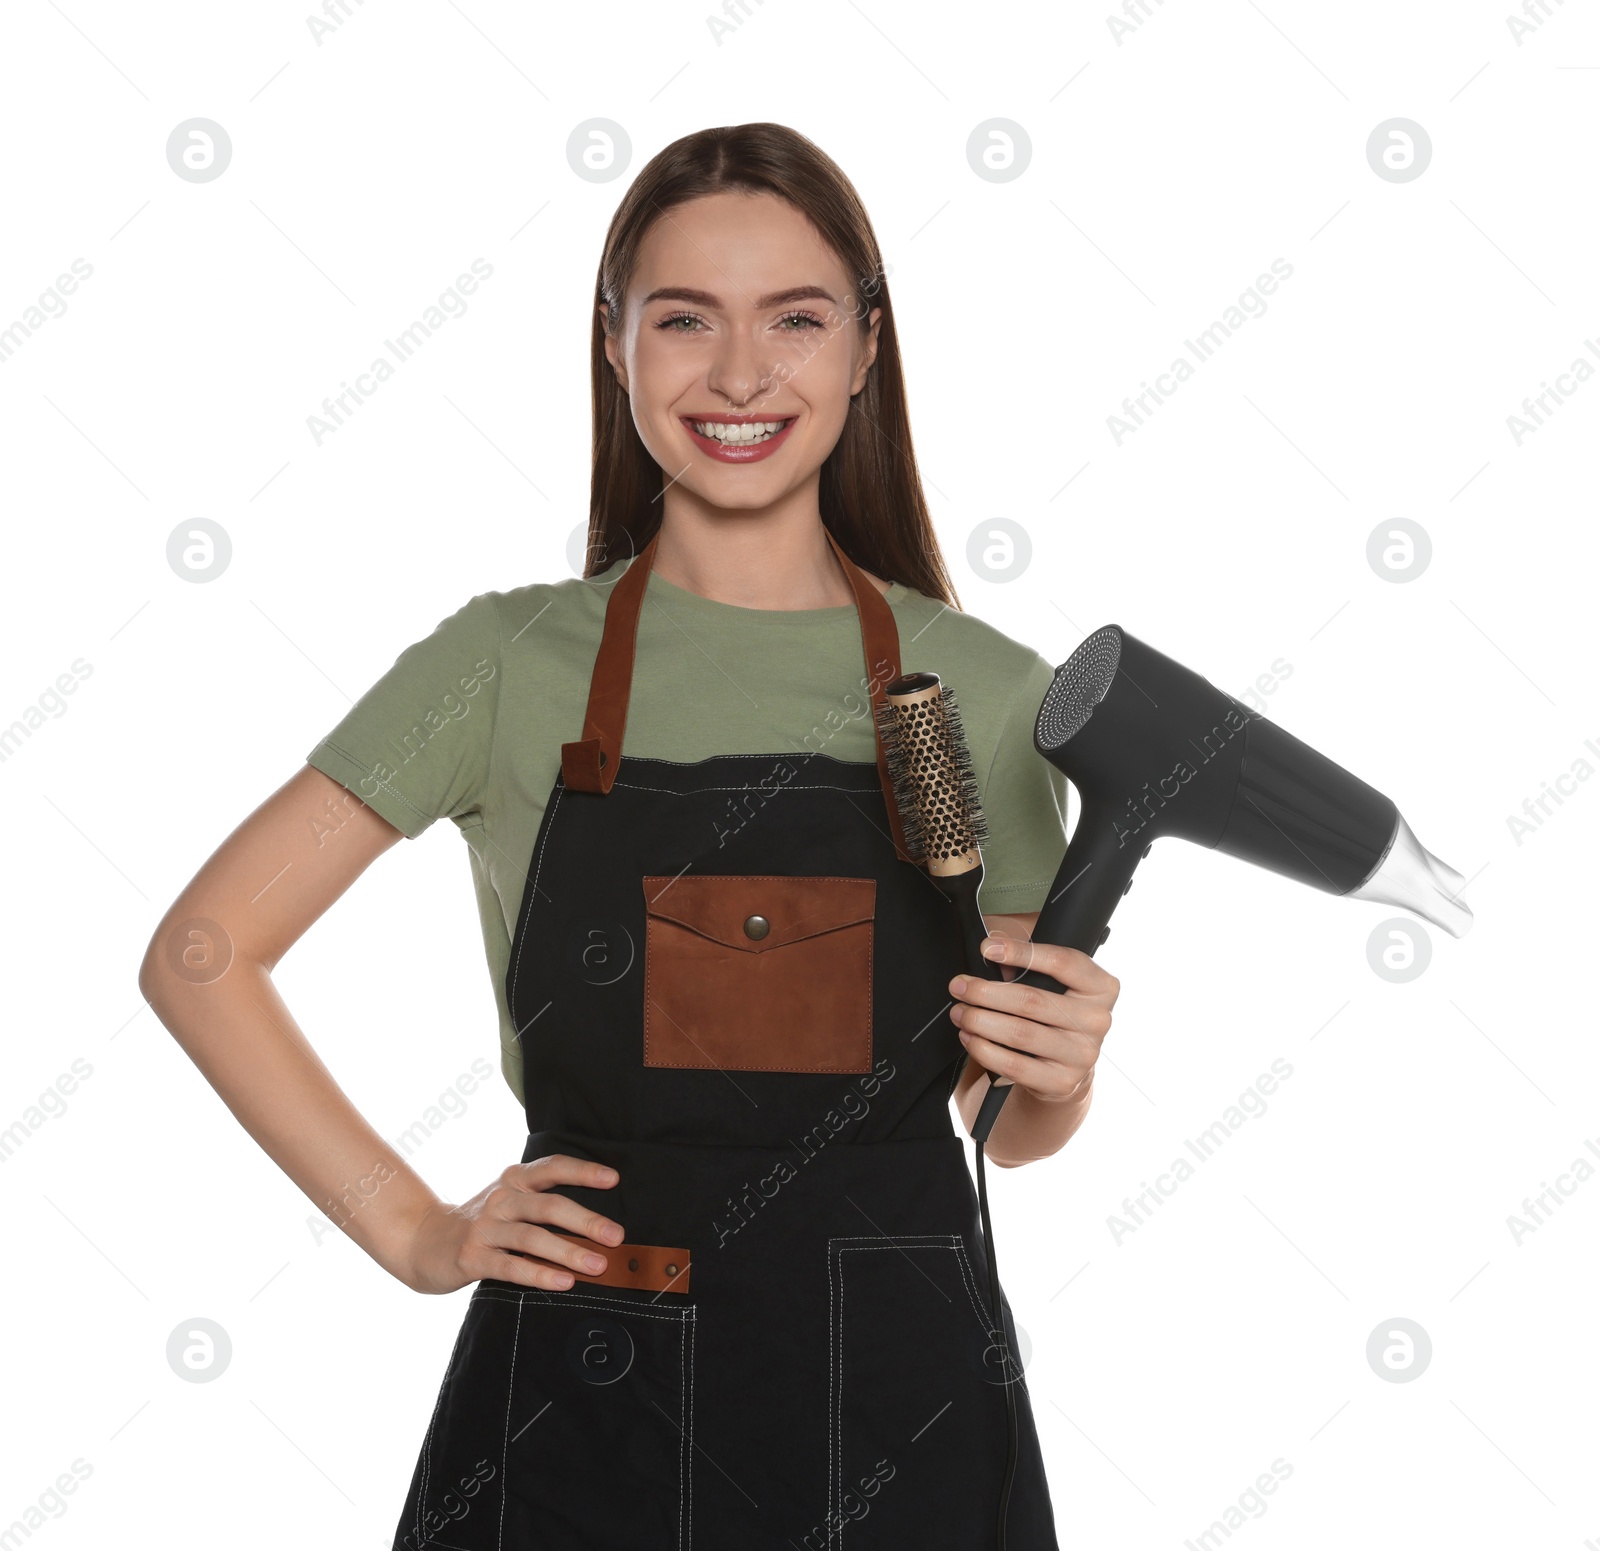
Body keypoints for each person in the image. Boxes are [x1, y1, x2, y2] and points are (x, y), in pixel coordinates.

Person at [138, 122, 1118, 1551]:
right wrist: (416, 1231)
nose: (738, 375)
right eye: (682, 321)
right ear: (614, 345)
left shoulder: (983, 693)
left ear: (865, 347)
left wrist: (1064, 1074)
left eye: (795, 318)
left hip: (902, 1405)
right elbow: (202, 955)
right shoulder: (503, 666)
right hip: (587, 1404)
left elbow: (1001, 1124)